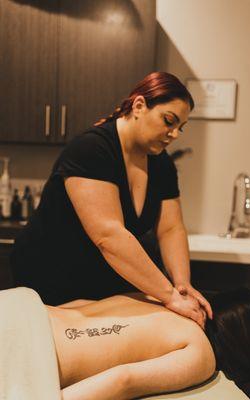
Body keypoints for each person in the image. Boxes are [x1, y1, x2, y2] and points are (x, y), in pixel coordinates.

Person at [10, 71, 212, 327]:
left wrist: (182, 284)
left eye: (180, 127)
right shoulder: (92, 150)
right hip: (50, 274)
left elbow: (171, 228)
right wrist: (169, 295)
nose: (174, 134)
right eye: (168, 121)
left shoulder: (161, 164)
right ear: (139, 106)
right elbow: (109, 236)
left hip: (99, 276)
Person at [46, 286, 250, 400]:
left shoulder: (161, 297)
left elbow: (78, 305)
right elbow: (124, 380)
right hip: (38, 347)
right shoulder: (201, 353)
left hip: (29, 306)